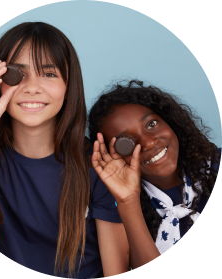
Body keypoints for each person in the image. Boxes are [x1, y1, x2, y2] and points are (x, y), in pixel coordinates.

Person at [0, 22, 130, 278]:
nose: (32, 87)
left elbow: (116, 268)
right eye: (18, 73)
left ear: (69, 86)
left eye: (49, 74)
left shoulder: (99, 164)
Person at [87, 79, 222, 269]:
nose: (149, 143)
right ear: (112, 157)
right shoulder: (118, 211)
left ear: (170, 121)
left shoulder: (216, 166)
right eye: (127, 143)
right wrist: (128, 202)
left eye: (151, 124)